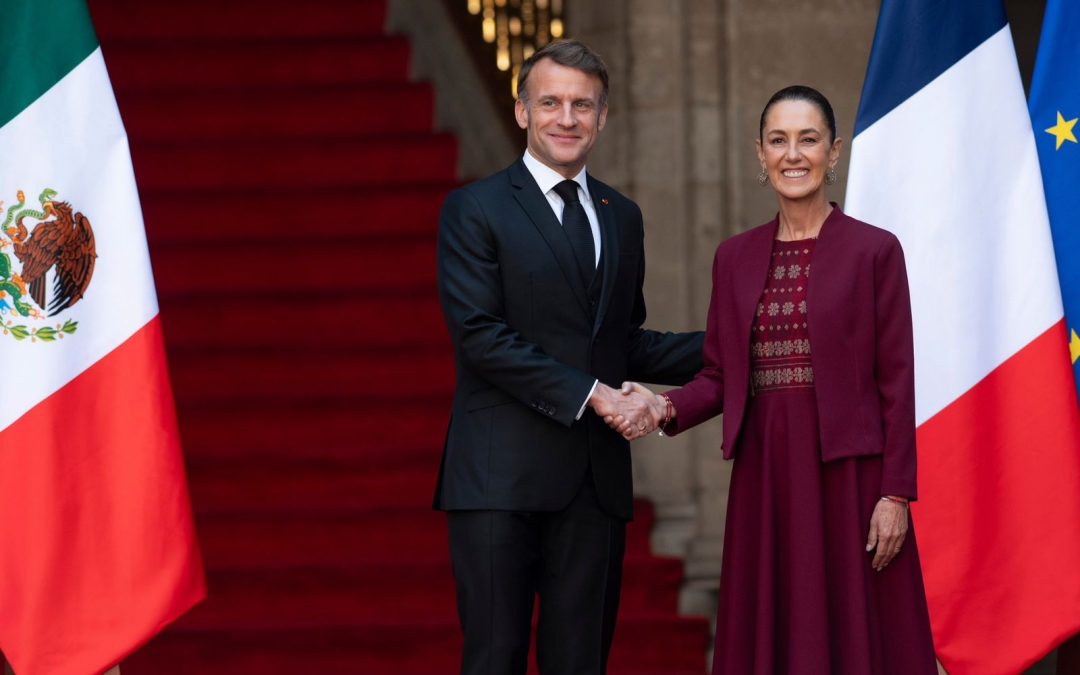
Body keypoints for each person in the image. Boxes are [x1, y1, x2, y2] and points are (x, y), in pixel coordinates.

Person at [612, 85, 937, 674]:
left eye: (808, 140)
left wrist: (895, 494)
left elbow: (898, 380)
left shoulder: (876, 251)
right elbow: (719, 372)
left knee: (857, 636)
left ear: (833, 153)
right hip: (766, 477)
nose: (794, 154)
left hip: (851, 484)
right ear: (759, 155)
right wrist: (662, 409)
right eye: (778, 140)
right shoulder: (733, 257)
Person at [434, 40, 704, 675]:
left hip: (592, 484)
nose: (566, 118)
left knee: (581, 664)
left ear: (603, 116)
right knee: (494, 660)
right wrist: (597, 395)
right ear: (523, 111)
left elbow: (623, 341)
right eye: (550, 102)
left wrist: (738, 342)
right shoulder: (475, 210)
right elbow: (480, 335)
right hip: (498, 479)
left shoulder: (623, 216)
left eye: (582, 105)